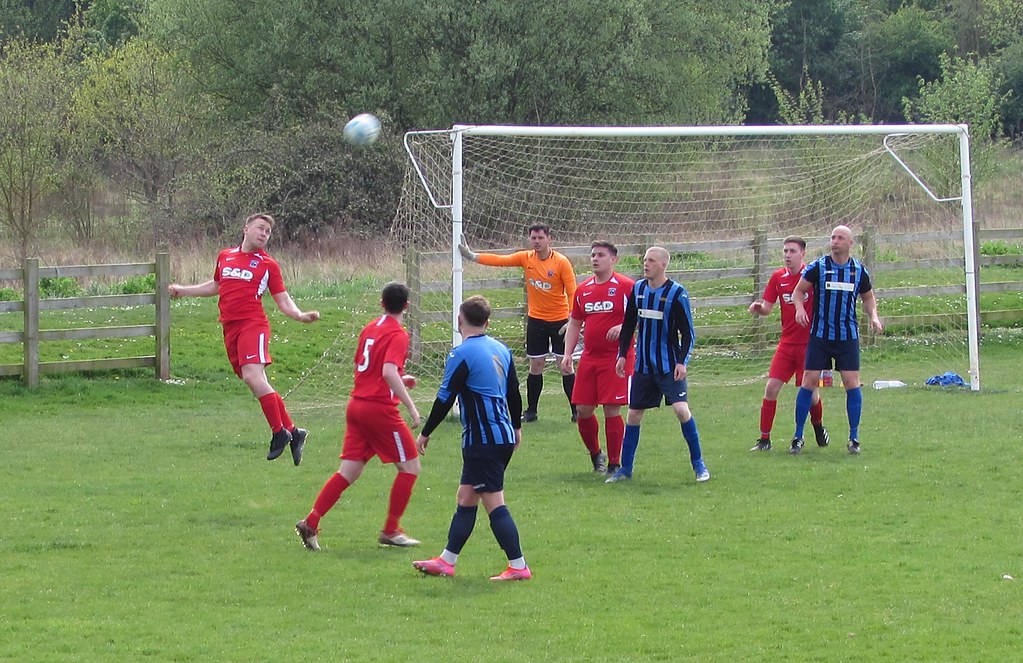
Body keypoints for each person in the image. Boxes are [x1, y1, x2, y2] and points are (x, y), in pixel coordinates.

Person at [168, 213, 319, 465]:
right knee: (258, 382)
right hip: (230, 328)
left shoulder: (268, 265)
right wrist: (184, 290)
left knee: (253, 377)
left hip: (253, 325)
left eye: (268, 232)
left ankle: (279, 433)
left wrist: (300, 316)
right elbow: (216, 285)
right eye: (260, 228)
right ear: (246, 228)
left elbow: (283, 299)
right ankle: (294, 432)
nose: (264, 234)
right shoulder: (225, 256)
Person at [295, 282, 422, 551]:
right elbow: (387, 372)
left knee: (349, 471)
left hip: (357, 406)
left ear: (381, 303)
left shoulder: (370, 328)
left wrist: (400, 378)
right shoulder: (398, 334)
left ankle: (311, 521)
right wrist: (411, 406)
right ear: (407, 307)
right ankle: (390, 530)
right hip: (379, 410)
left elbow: (361, 366)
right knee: (410, 468)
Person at [412, 295, 530, 581]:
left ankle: (518, 566)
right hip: (501, 434)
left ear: (459, 320)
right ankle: (446, 561)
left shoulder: (460, 354)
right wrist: (516, 426)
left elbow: (444, 398)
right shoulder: (501, 349)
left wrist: (425, 432)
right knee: (466, 496)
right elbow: (513, 391)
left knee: (493, 501)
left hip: (482, 439)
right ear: (487, 323)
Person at [605, 246, 711, 484]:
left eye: (651, 261)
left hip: (669, 366)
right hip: (643, 366)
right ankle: (626, 469)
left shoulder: (677, 293)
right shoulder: (639, 289)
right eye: (644, 260)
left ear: (663, 265)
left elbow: (688, 333)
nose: (646, 264)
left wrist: (683, 362)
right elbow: (629, 323)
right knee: (633, 414)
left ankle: (699, 465)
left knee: (681, 410)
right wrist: (622, 354)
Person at [459, 223, 577, 423]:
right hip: (536, 320)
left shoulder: (561, 262)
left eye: (540, 237)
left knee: (565, 365)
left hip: (560, 322)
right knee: (536, 364)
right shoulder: (526, 257)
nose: (537, 241)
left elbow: (573, 290)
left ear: (549, 239)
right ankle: (531, 411)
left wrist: (572, 318)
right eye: (533, 238)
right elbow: (500, 260)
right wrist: (472, 256)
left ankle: (576, 412)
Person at [790, 225, 883, 455]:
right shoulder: (818, 267)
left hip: (847, 337)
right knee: (809, 381)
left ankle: (854, 438)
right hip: (820, 335)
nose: (835, 241)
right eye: (832, 237)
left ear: (850, 243)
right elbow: (797, 292)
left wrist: (873, 316)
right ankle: (798, 436)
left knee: (852, 383)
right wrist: (799, 309)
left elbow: (868, 298)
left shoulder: (859, 271)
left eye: (840, 238)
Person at [560, 241, 634, 475]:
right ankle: (596, 455)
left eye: (601, 255)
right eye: (593, 255)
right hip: (590, 358)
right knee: (583, 409)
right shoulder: (584, 289)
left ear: (614, 259)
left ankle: (614, 463)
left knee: (612, 409)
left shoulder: (626, 287)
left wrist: (624, 327)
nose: (595, 259)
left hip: (616, 358)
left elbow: (640, 317)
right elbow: (575, 322)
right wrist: (568, 353)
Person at [748, 236, 828, 451]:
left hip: (809, 345)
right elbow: (767, 307)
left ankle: (818, 426)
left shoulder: (811, 277)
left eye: (792, 251)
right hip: (787, 343)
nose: (787, 255)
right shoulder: (777, 277)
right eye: (785, 251)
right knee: (771, 387)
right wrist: (759, 307)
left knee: (810, 394)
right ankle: (764, 439)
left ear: (803, 254)